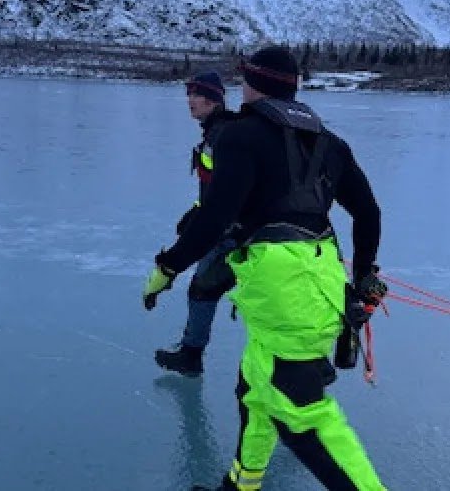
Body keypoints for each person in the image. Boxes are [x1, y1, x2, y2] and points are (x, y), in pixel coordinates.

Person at [142, 45, 388, 490]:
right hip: (319, 285)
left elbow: (213, 221)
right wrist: (366, 272)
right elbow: (368, 212)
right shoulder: (330, 143)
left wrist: (169, 265)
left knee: (304, 419)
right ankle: (240, 486)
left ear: (253, 85)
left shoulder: (240, 136)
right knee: (255, 392)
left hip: (283, 297)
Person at [155, 71, 239, 377]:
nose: (189, 100)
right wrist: (196, 212)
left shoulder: (222, 135)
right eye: (188, 93)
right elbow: (215, 189)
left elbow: (231, 190)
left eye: (195, 94)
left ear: (213, 99)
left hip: (232, 232)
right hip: (222, 225)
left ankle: (191, 356)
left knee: (203, 288)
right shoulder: (215, 133)